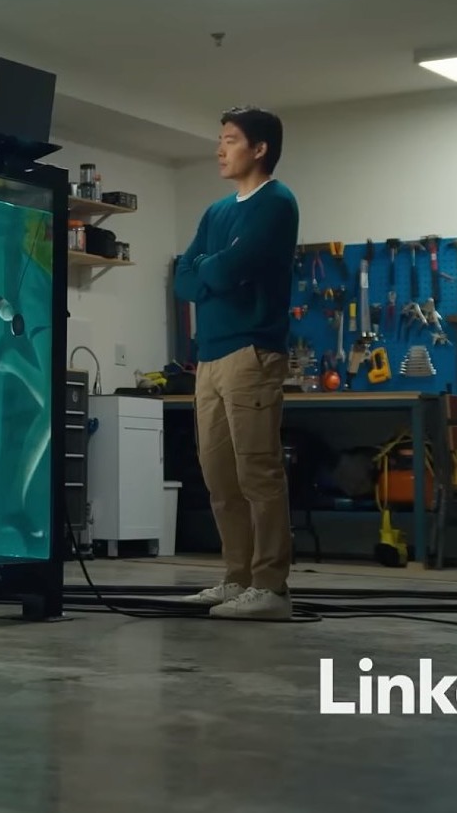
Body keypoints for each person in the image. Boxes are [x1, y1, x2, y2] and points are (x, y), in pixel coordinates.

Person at [172, 107, 300, 621]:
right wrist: (210, 269)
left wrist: (210, 269)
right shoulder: (216, 213)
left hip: (252, 352)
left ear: (260, 148)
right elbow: (186, 277)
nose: (220, 149)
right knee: (219, 475)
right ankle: (237, 578)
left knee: (257, 472)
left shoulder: (276, 203)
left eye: (229, 140)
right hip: (209, 358)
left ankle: (271, 588)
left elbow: (232, 270)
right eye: (220, 139)